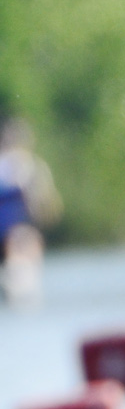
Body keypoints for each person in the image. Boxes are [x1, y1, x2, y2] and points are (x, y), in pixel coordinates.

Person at [0, 118, 61, 304]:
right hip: (16, 232)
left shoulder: (32, 165)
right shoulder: (31, 165)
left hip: (15, 231)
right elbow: (48, 204)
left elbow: (47, 202)